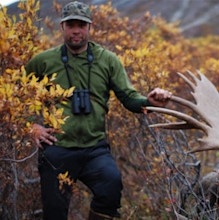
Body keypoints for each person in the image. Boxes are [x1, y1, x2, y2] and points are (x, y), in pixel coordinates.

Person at [25, 1, 171, 219]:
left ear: (89, 27)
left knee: (111, 187)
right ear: (62, 27)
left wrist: (149, 103)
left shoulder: (107, 60)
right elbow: (18, 95)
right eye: (71, 25)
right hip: (57, 149)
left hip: (95, 149)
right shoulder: (43, 61)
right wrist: (30, 125)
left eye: (81, 25)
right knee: (55, 212)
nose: (76, 30)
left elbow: (129, 98)